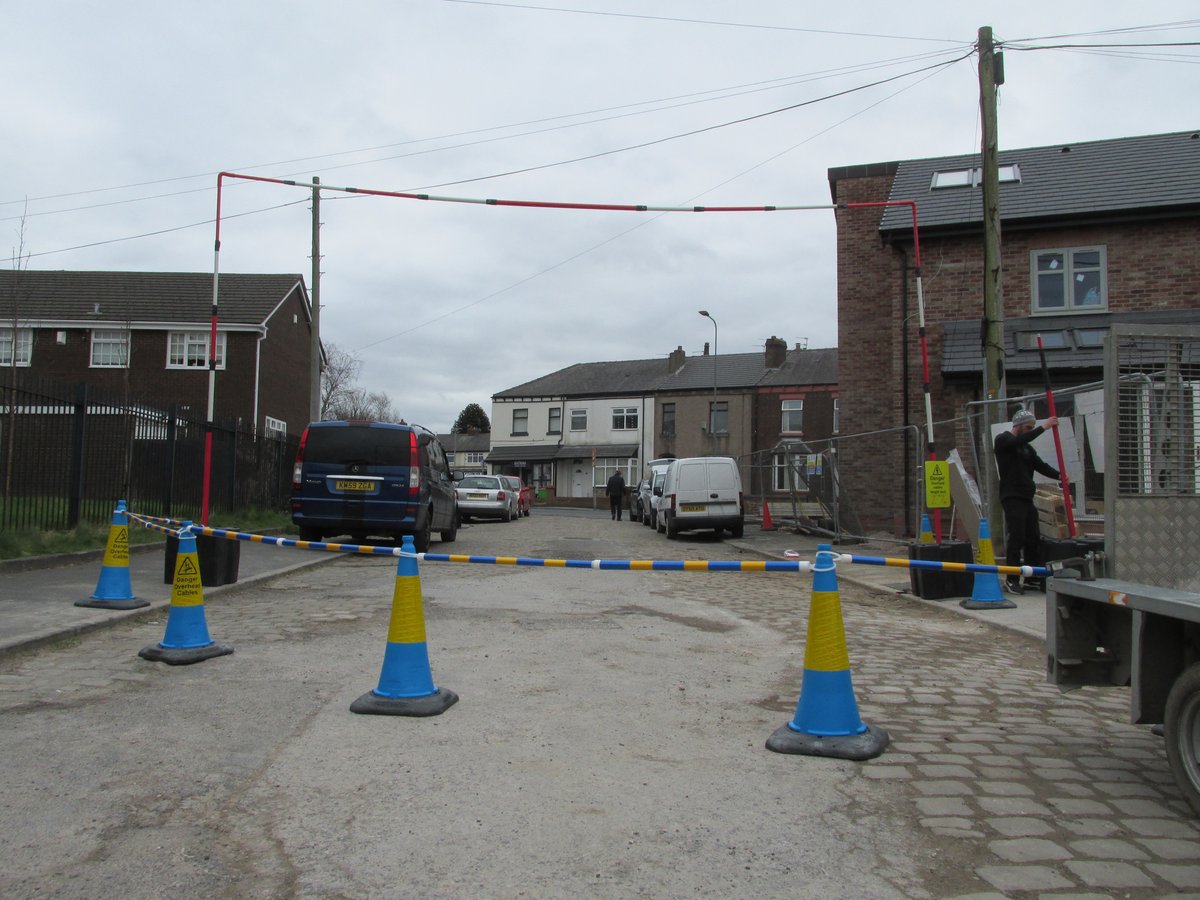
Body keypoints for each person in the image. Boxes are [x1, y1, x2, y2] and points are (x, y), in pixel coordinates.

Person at [994, 409, 1059, 594]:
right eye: (1028, 427)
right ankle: (1012, 579)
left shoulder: (1027, 449)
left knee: (1033, 536)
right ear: (1018, 426)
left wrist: (1059, 475)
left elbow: (1039, 465)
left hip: (1026, 497)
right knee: (1017, 536)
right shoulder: (1003, 440)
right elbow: (1018, 440)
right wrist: (1044, 427)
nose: (1031, 430)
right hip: (1012, 496)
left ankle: (1032, 577)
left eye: (1032, 427)